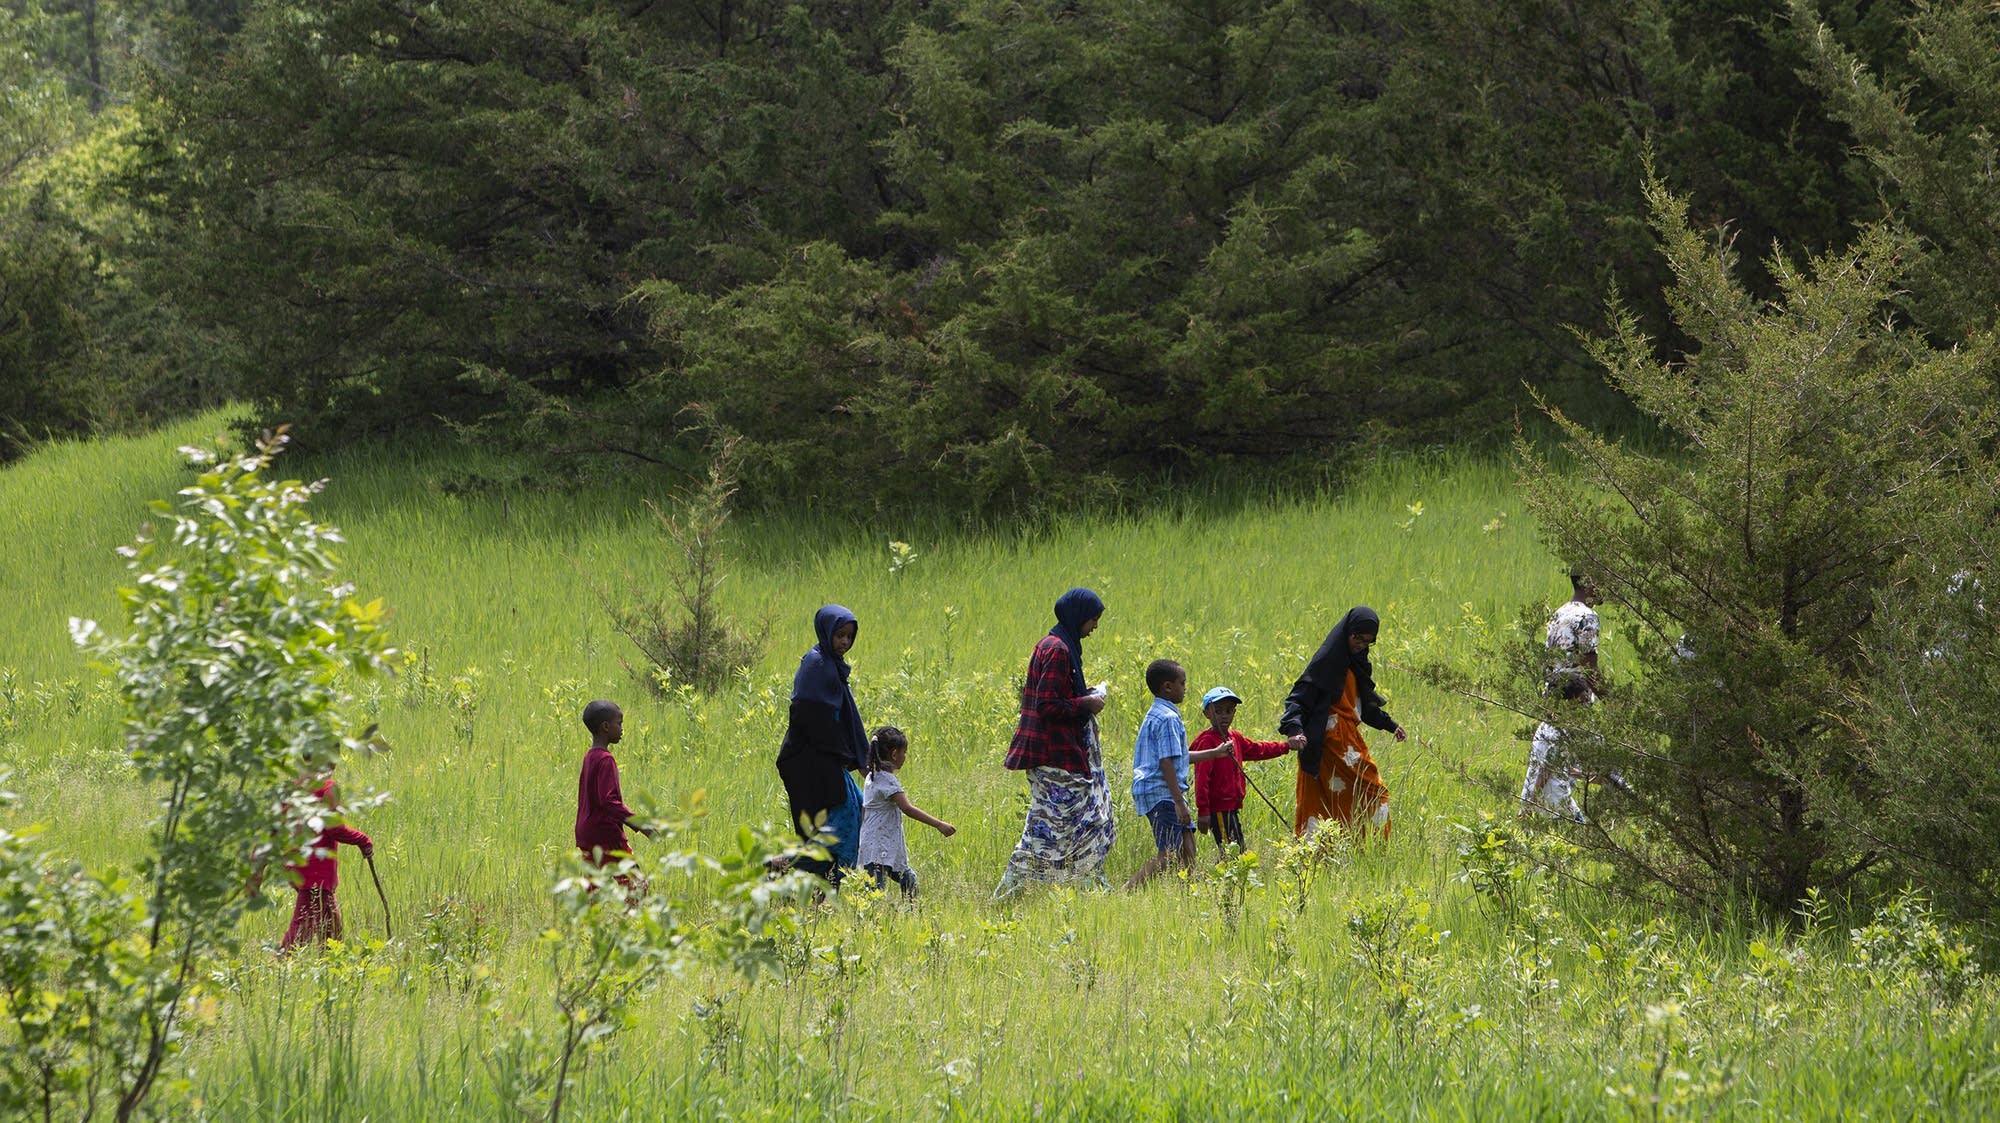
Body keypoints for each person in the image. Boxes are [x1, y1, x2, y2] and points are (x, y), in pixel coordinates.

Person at [994, 588, 1116, 898]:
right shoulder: (1059, 650)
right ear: (1078, 616)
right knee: (1062, 828)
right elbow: (1048, 705)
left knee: (1064, 827)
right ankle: (1016, 890)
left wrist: (1083, 694)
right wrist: (1086, 704)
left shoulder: (1056, 645)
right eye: (1093, 619)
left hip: (1055, 754)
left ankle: (1083, 887)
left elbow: (1057, 695)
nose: (1095, 627)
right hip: (1054, 755)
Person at [1281, 606, 1408, 839]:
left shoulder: (1355, 664)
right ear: (1347, 632)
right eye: (1357, 638)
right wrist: (1294, 729)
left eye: (1368, 642)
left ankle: (1359, 850)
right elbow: (1298, 698)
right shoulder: (1328, 662)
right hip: (1330, 742)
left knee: (1346, 796)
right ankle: (1331, 853)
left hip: (1348, 739)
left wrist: (1391, 725)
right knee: (1370, 791)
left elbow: (1363, 707)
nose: (1361, 645)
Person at [776, 605, 870, 886]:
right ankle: (793, 868)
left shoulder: (831, 666)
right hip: (809, 761)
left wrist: (858, 758)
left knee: (857, 811)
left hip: (826, 759)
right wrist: (845, 754)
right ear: (826, 632)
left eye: (849, 637)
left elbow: (845, 718)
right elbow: (811, 718)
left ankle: (822, 881)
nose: (845, 642)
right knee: (841, 822)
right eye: (840, 635)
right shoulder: (817, 666)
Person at [1125, 659, 1232, 889]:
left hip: (1162, 790)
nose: (1185, 687)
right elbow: (1166, 764)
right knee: (1171, 854)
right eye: (1182, 683)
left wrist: (1215, 752)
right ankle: (1126, 892)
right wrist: (1179, 803)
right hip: (1162, 792)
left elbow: (1178, 757)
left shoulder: (1157, 713)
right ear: (1167, 687)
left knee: (1188, 846)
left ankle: (1189, 894)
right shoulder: (1169, 718)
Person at [1190, 686, 1295, 854]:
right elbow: (1202, 780)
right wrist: (1203, 811)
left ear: (1234, 712)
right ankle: (1228, 879)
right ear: (1207, 714)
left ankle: (1227, 877)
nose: (1224, 715)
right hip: (1219, 809)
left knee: (1234, 849)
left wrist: (1286, 746)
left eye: (1229, 710)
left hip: (1231, 806)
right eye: (1218, 711)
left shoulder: (1235, 737)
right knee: (1233, 853)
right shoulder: (1207, 743)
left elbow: (1257, 749)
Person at [280, 764, 373, 951]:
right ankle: (279, 969)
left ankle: (334, 969)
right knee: (301, 931)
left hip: (295, 864)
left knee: (332, 929)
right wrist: (362, 840)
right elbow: (335, 828)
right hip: (316, 870)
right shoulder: (328, 788)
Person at [856, 725, 956, 897]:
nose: (905, 757)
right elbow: (908, 809)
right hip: (880, 846)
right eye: (905, 752)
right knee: (875, 892)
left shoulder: (872, 775)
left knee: (906, 879)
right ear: (894, 754)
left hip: (874, 843)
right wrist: (939, 824)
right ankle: (873, 921)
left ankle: (911, 915)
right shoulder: (888, 781)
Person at [575, 699, 652, 883]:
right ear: (606, 727)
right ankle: (631, 913)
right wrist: (640, 825)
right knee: (636, 884)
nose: (622, 729)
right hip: (605, 834)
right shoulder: (605, 759)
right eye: (619, 723)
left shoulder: (589, 756)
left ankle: (589, 911)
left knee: (594, 886)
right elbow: (609, 802)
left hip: (586, 832)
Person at [1520, 677, 1591, 823]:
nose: (1585, 709)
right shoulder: (1558, 733)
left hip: (1550, 801)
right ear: (1565, 703)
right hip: (1556, 806)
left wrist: (1586, 776)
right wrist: (1529, 806)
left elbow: (1556, 765)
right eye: (1580, 703)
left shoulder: (1546, 726)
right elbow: (1546, 771)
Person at [1547, 571, 1602, 695]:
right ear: (1588, 583)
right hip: (1576, 700)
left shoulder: (1558, 614)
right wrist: (1613, 703)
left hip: (1552, 698)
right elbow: (1588, 666)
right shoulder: (1587, 616)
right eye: (1600, 580)